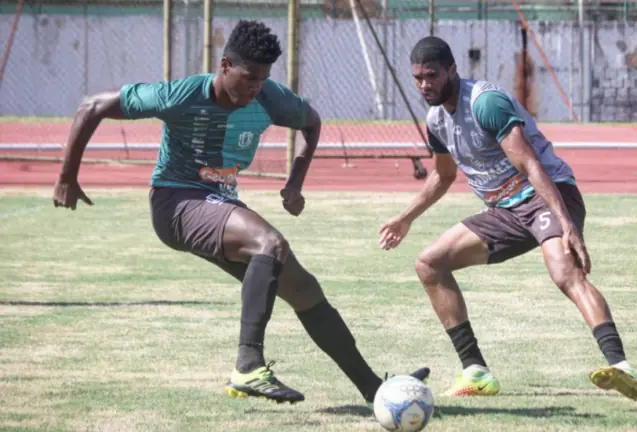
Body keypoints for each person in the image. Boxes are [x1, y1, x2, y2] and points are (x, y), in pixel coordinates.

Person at [52, 19, 428, 405]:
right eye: (249, 77)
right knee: (270, 243)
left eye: (263, 79)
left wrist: (295, 182)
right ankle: (248, 365)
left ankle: (373, 388)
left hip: (220, 204)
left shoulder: (268, 98)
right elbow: (91, 105)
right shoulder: (181, 94)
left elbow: (312, 124)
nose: (255, 88)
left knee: (303, 289)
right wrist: (67, 177)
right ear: (226, 64)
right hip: (175, 203)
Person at [378, 36, 637, 401]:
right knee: (429, 264)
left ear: (453, 70)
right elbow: (442, 176)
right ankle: (476, 372)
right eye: (418, 78)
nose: (425, 85)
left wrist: (566, 223)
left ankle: (620, 366)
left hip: (547, 195)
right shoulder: (436, 119)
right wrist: (404, 218)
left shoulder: (485, 102)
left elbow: (529, 163)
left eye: (432, 75)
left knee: (564, 272)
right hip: (504, 211)